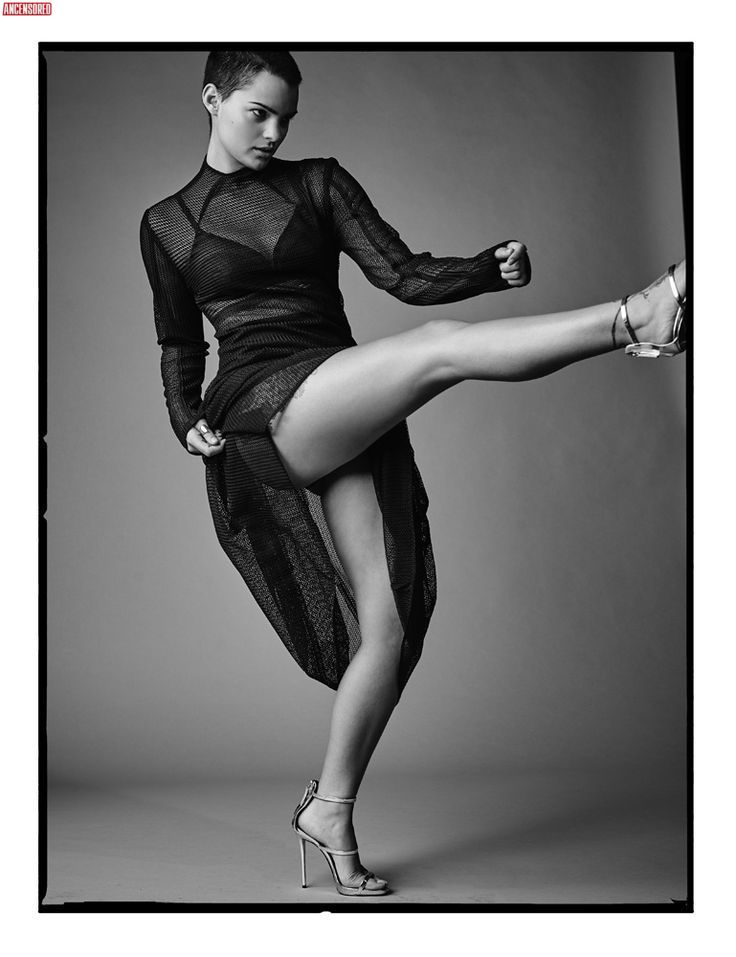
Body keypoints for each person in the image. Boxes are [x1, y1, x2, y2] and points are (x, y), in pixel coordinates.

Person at [139, 50, 686, 898]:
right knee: (437, 354)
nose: (275, 132)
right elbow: (179, 342)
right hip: (262, 405)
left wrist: (483, 268)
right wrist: (185, 417)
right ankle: (634, 319)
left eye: (287, 117)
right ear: (212, 98)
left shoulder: (317, 182)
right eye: (258, 112)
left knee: (387, 632)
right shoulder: (167, 223)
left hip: (342, 391)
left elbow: (401, 274)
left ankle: (328, 808)